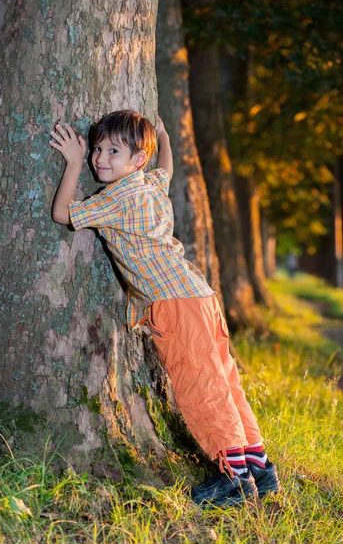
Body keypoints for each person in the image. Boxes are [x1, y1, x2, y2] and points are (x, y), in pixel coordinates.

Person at [49, 109, 280, 508]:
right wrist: (165, 139)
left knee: (201, 385)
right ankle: (258, 464)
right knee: (223, 379)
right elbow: (167, 169)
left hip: (175, 306)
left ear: (137, 159)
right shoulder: (150, 183)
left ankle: (235, 479)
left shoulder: (119, 196)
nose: (99, 158)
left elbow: (62, 214)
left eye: (113, 151)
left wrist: (71, 163)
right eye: (97, 149)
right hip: (200, 296)